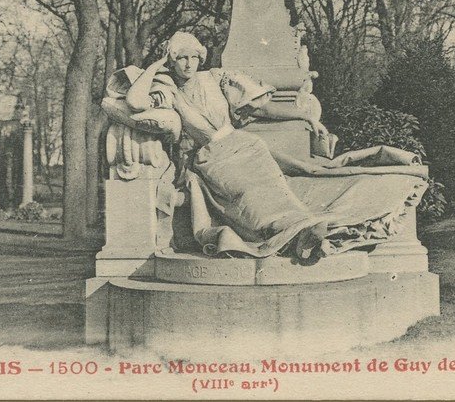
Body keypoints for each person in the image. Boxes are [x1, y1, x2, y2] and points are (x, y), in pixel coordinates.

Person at [125, 32, 428, 262]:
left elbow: (262, 109)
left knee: (282, 190)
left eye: (193, 57)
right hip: (212, 160)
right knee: (250, 197)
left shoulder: (215, 79)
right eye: (181, 58)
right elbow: (135, 102)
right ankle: (299, 236)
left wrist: (304, 114)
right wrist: (156, 66)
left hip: (246, 147)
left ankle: (310, 231)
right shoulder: (168, 93)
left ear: (201, 58)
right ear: (172, 60)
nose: (188, 64)